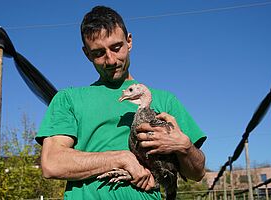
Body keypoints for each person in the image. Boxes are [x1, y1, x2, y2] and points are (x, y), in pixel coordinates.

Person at [36, 5, 206, 200]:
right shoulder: (68, 99)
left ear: (129, 41)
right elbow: (52, 163)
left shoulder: (165, 100)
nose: (110, 60)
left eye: (116, 48)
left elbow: (197, 172)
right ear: (86, 54)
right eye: (99, 53)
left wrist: (184, 147)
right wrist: (120, 158)